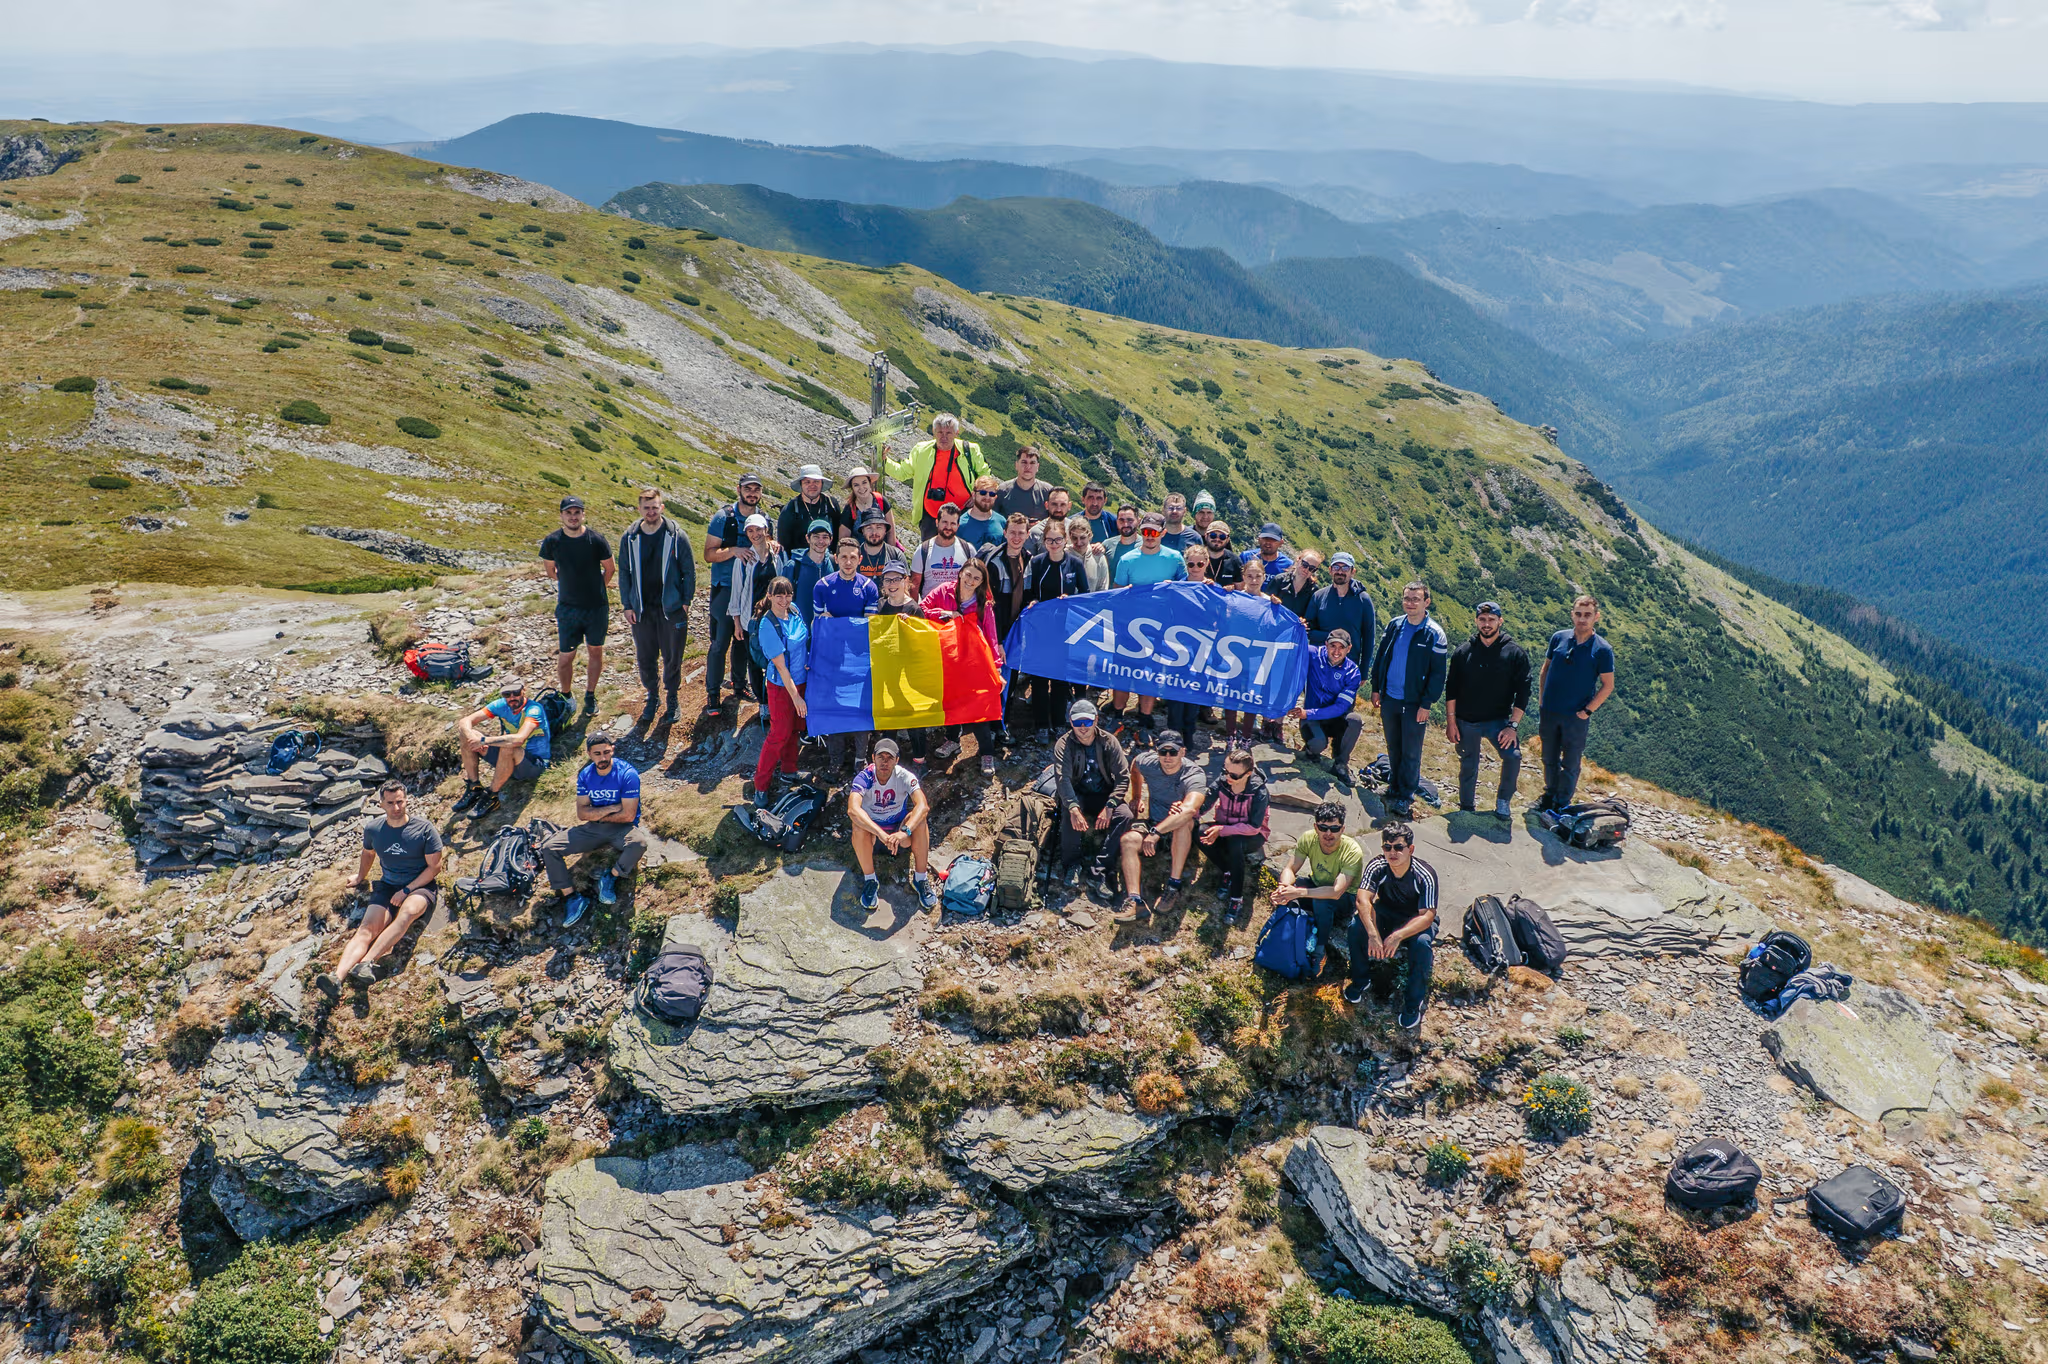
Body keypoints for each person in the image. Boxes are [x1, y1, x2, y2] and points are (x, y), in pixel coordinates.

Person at [319, 780, 443, 997]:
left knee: (406, 914)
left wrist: (406, 890)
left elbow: (435, 867)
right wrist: (359, 877)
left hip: (420, 886)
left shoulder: (424, 829)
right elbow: (368, 854)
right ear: (381, 804)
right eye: (391, 803)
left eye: (400, 802)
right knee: (366, 929)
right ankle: (336, 978)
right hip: (387, 885)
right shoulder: (374, 829)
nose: (396, 808)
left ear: (406, 801)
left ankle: (367, 963)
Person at [539, 733, 653, 927]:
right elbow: (582, 813)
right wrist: (610, 808)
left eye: (606, 752)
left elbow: (628, 815)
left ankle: (610, 876)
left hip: (622, 828)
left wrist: (596, 813)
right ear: (589, 754)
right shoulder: (585, 775)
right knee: (550, 848)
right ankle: (572, 898)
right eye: (597, 753)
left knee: (638, 843)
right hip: (592, 828)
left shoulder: (628, 774)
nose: (603, 758)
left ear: (613, 750)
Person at [1344, 821, 1438, 1032]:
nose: (1392, 852)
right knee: (1355, 926)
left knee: (1422, 945)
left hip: (1415, 919)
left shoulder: (1424, 874)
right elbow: (1362, 900)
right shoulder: (1377, 866)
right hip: (1386, 912)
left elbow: (1428, 916)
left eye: (1398, 847)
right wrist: (1373, 933)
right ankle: (1361, 980)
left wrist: (1397, 936)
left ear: (1410, 849)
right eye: (1387, 847)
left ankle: (1414, 1003)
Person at [616, 487, 697, 728]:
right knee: (645, 656)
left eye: (655, 507)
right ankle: (652, 695)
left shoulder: (676, 535)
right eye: (646, 507)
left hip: (670, 608)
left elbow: (689, 571)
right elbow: (624, 572)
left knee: (673, 656)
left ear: (662, 507)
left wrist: (685, 601)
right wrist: (627, 604)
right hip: (641, 609)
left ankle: (672, 696)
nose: (651, 511)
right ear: (640, 509)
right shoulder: (630, 538)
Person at [1370, 582, 1450, 819]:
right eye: (1407, 598)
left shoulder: (1435, 633)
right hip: (1390, 697)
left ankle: (1405, 796)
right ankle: (1394, 786)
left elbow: (1438, 674)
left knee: (1412, 751)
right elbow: (1381, 657)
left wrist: (1427, 703)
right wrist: (1376, 688)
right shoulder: (1395, 625)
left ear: (1427, 602)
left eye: (1416, 599)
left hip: (1415, 703)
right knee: (1394, 745)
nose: (1410, 603)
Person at [1113, 728, 1207, 925]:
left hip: (1177, 828)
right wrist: (1136, 796)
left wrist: (1156, 833)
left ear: (1182, 751)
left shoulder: (1194, 774)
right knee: (1128, 840)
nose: (1167, 757)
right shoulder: (1147, 762)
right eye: (1163, 752)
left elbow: (1190, 809)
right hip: (1154, 822)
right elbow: (1135, 767)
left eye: (1173, 752)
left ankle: (1173, 886)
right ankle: (1134, 901)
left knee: (1183, 822)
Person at [1446, 601, 1530, 819]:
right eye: (1482, 620)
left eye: (1491, 620)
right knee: (1468, 764)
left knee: (1513, 756)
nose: (1486, 624)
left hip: (1499, 720)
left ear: (1500, 621)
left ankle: (1503, 802)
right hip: (1466, 719)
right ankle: (1466, 807)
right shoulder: (1463, 652)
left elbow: (1523, 692)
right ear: (1476, 621)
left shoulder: (1514, 653)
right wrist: (1451, 722)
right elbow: (1451, 689)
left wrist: (1512, 726)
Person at [701, 471, 775, 717]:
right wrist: (733, 550)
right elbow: (709, 554)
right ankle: (713, 694)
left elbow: (769, 548)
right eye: (748, 488)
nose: (752, 493)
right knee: (720, 642)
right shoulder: (723, 517)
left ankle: (739, 685)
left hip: (753, 591)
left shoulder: (764, 519)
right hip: (725, 586)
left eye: (756, 489)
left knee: (743, 640)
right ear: (739, 489)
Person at [922, 557, 1004, 774]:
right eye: (968, 575)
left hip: (975, 663)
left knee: (979, 707)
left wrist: (997, 668)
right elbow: (921, 609)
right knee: (951, 700)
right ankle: (952, 740)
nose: (971, 580)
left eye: (976, 578)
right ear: (960, 573)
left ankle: (987, 753)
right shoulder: (943, 592)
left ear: (981, 582)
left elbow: (991, 636)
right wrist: (944, 614)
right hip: (948, 659)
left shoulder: (983, 604)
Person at [1536, 595, 1616, 815]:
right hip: (1550, 711)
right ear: (1572, 614)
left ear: (1596, 617)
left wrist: (1588, 711)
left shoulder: (1602, 649)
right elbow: (1545, 669)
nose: (1582, 619)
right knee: (1548, 757)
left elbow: (1608, 685)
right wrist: (1542, 699)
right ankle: (1549, 796)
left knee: (1570, 762)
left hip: (1575, 716)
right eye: (1578, 614)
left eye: (1587, 615)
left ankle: (1562, 803)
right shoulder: (1558, 638)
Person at [1272, 800, 1365, 980]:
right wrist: (1284, 889)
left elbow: (1337, 891)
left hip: (1344, 898)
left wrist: (1298, 892)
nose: (1328, 833)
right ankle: (1286, 936)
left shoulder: (1352, 851)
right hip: (1316, 885)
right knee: (1292, 892)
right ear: (1316, 827)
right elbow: (1290, 869)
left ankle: (1319, 950)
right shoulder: (1308, 838)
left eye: (1334, 828)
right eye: (1323, 827)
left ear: (1343, 829)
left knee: (1322, 901)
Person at [539, 495, 613, 722]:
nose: (573, 516)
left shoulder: (596, 540)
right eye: (568, 513)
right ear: (562, 515)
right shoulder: (552, 541)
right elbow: (550, 570)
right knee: (566, 656)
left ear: (583, 514)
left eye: (577, 512)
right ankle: (567, 695)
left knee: (595, 651)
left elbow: (609, 569)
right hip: (568, 609)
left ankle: (590, 695)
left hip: (596, 608)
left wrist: (596, 589)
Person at [1052, 698, 1135, 899]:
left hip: (1103, 794)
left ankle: (1100, 871)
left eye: (1087, 722)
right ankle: (1072, 864)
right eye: (1077, 722)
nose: (1082, 727)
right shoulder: (1063, 744)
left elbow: (1123, 777)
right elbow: (1063, 780)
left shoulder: (1109, 741)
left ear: (1096, 720)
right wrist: (1073, 808)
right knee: (1068, 813)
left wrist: (1110, 805)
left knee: (1125, 815)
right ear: (1070, 722)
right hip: (1077, 792)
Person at [848, 738, 938, 912]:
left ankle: (920, 878)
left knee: (919, 820)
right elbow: (852, 809)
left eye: (889, 758)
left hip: (899, 835)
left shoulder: (904, 776)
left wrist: (905, 831)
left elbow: (923, 805)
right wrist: (881, 834)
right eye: (880, 757)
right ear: (873, 758)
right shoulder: (865, 777)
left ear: (897, 760)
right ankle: (870, 880)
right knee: (858, 824)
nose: (885, 762)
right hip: (873, 836)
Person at [814, 537, 880, 770]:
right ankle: (835, 761)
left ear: (860, 559)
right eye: (844, 557)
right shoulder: (822, 586)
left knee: (860, 708)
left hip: (860, 658)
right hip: (832, 658)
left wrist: (840, 624)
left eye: (853, 557)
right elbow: (821, 624)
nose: (848, 562)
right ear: (836, 558)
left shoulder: (869, 587)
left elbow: (870, 625)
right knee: (835, 709)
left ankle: (860, 760)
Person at [1025, 517, 1088, 738]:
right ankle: (1042, 724)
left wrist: (1070, 599)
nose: (1054, 544)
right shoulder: (1037, 563)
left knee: (1060, 679)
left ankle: (1059, 722)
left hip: (1066, 629)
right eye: (1050, 540)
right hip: (1041, 630)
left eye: (1058, 539)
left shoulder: (1075, 563)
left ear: (1065, 540)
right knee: (1040, 678)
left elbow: (1085, 595)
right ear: (1044, 541)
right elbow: (1029, 592)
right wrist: (1032, 602)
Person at [452, 680, 550, 818]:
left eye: (516, 693)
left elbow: (519, 739)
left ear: (524, 690)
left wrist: (483, 741)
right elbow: (464, 721)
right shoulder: (501, 705)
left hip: (534, 764)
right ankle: (474, 787)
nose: (512, 697)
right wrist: (471, 738)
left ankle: (492, 795)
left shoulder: (534, 710)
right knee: (466, 734)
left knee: (508, 744)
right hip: (509, 759)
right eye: (507, 694)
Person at [751, 577, 811, 803]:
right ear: (770, 596)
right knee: (779, 734)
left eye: (788, 595)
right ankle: (761, 785)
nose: (784, 600)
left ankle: (789, 771)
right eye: (779, 596)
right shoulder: (767, 625)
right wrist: (796, 697)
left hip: (802, 681)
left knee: (795, 729)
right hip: (781, 687)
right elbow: (781, 666)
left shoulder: (794, 611)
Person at [888, 413, 990, 539]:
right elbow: (902, 473)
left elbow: (985, 475)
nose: (944, 437)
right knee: (930, 555)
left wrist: (977, 495)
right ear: (933, 431)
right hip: (931, 518)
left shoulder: (969, 450)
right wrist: (884, 461)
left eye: (949, 433)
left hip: (963, 516)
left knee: (963, 554)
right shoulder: (921, 450)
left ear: (956, 433)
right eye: (940, 432)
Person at [1198, 747, 1270, 924]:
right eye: (1225, 771)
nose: (1228, 777)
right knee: (1199, 831)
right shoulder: (1222, 782)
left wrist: (1222, 830)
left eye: (1234, 776)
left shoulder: (1259, 792)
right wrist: (1185, 809)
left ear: (1248, 773)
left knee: (1235, 842)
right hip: (1227, 827)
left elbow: (1254, 827)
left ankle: (1237, 897)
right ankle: (1227, 870)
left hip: (1252, 835)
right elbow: (1203, 805)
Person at [732, 513, 793, 716]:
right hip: (753, 618)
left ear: (766, 530)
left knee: (778, 657)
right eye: (751, 530)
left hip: (776, 615)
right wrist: (737, 623)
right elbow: (736, 592)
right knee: (755, 659)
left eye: (759, 529)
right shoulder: (743, 559)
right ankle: (763, 703)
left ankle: (779, 697)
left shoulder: (779, 554)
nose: (755, 534)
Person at [1291, 628, 1365, 787]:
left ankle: (1340, 764)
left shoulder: (1352, 672)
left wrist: (1307, 713)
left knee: (1355, 720)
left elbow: (1340, 707)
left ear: (1349, 649)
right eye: (1332, 646)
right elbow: (1290, 644)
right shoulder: (1313, 654)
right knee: (1318, 743)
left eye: (1341, 647)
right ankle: (1311, 751)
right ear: (1325, 644)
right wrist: (1297, 627)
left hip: (1327, 717)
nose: (1336, 651)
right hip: (1311, 719)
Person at [873, 564, 931, 764]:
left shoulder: (914, 608)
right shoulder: (879, 606)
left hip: (909, 675)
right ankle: (886, 764)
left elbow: (923, 644)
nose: (892, 584)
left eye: (896, 579)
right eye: (888, 580)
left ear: (906, 580)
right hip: (887, 673)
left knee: (914, 721)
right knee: (890, 720)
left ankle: (919, 761)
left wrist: (911, 627)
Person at [1219, 555, 1269, 743]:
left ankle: (1246, 736)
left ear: (1264, 577)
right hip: (1234, 652)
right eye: (1249, 576)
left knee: (1252, 696)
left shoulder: (1270, 602)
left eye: (1258, 576)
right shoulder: (1233, 597)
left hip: (1257, 655)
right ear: (1243, 576)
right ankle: (1231, 734)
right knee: (1231, 692)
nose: (1254, 580)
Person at [1305, 551, 1374, 652]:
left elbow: (1369, 639)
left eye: (1345, 568)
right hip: (1320, 663)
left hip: (1349, 664)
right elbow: (1307, 630)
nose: (1340, 572)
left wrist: (1363, 667)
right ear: (1330, 570)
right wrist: (1333, 637)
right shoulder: (1318, 597)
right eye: (1336, 567)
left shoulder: (1363, 600)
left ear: (1353, 572)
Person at [909, 502, 973, 597]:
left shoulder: (968, 549)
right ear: (937, 523)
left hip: (959, 608)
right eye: (944, 522)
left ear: (958, 526)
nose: (948, 527)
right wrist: (914, 611)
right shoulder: (923, 550)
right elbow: (914, 584)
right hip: (930, 608)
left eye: (952, 523)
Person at [777, 464, 843, 555]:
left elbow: (838, 534)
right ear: (801, 485)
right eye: (807, 482)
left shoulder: (831, 504)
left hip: (828, 561)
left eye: (816, 481)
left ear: (821, 483)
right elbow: (783, 543)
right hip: (800, 562)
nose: (812, 485)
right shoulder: (790, 508)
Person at [790, 519, 837, 630]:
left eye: (825, 537)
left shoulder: (835, 564)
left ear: (831, 540)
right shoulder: (794, 566)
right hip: (800, 632)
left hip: (827, 632)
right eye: (816, 536)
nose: (820, 541)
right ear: (808, 538)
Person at [838, 466, 898, 549]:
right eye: (856, 485)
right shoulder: (850, 509)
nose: (861, 488)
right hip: (859, 557)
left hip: (883, 553)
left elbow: (891, 532)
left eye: (864, 482)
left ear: (870, 483)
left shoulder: (881, 501)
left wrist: (891, 555)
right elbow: (844, 540)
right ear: (852, 488)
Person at [994, 445, 1051, 523]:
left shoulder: (1048, 491)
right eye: (1024, 462)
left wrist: (1040, 526)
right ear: (1016, 465)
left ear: (1037, 467)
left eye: (1032, 463)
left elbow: (1055, 522)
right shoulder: (1002, 491)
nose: (1028, 467)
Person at [854, 507, 907, 582]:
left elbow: (905, 586)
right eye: (869, 528)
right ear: (862, 530)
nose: (874, 532)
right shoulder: (854, 556)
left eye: (879, 527)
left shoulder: (896, 555)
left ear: (885, 530)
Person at [1270, 548, 1322, 621]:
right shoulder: (1279, 580)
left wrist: (1304, 621)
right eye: (1304, 564)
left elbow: (1312, 618)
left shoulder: (1314, 591)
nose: (1306, 570)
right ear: (1298, 560)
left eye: (1311, 568)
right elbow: (1265, 603)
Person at [958, 475, 1005, 552]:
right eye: (983, 493)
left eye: (992, 494)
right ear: (973, 495)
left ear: (995, 497)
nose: (987, 497)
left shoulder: (1002, 522)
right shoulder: (961, 524)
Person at [1067, 513, 1112, 593]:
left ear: (1090, 535)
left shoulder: (1098, 556)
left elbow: (1103, 588)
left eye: (1082, 538)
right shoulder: (1064, 555)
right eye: (1074, 538)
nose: (1079, 542)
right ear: (1070, 537)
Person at [1204, 520, 1242, 588]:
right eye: (1213, 535)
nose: (1217, 539)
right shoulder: (1197, 557)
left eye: (1222, 537)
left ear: (1227, 540)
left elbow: (1240, 588)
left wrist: (1232, 588)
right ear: (1206, 536)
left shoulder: (1235, 561)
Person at [1106, 505, 1142, 576]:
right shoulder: (1107, 545)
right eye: (1121, 520)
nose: (1125, 524)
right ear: (1116, 522)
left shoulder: (1146, 546)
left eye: (1130, 520)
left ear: (1138, 521)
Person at [1081, 481, 1117, 546]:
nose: (1095, 503)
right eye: (1090, 498)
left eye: (1099, 498)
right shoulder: (1072, 521)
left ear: (1105, 501)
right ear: (1083, 499)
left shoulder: (1114, 522)